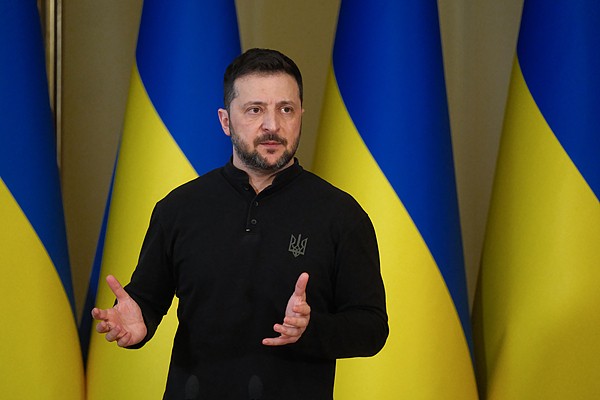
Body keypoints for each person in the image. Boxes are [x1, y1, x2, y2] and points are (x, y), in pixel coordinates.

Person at [92, 48, 388, 399]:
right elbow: (147, 300)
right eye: (255, 110)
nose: (272, 126)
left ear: (300, 116)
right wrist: (136, 320)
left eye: (286, 109)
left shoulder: (341, 214)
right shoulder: (178, 208)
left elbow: (372, 328)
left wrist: (312, 328)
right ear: (225, 120)